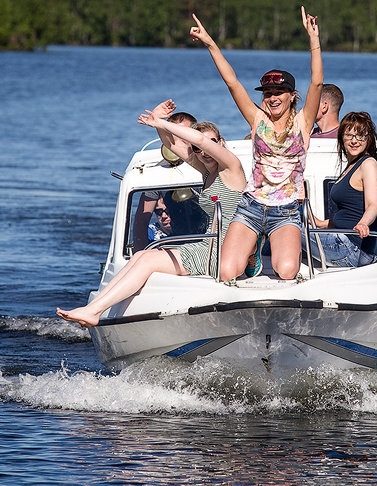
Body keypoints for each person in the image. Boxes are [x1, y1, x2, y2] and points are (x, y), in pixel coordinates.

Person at [57, 108, 247, 328]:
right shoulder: (207, 172)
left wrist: (166, 124)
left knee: (147, 260)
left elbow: (201, 142)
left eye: (211, 143)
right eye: (197, 148)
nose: (204, 150)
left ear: (220, 142)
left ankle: (93, 311)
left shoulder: (232, 167)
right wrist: (158, 122)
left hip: (225, 250)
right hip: (207, 245)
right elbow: (174, 145)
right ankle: (94, 308)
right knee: (141, 256)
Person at [190, 7, 323, 282]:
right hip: (250, 206)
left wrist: (313, 40)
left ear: (292, 95)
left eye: (279, 93)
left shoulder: (304, 122)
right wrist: (210, 43)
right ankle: (252, 252)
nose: (273, 98)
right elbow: (232, 82)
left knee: (287, 271)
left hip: (286, 211)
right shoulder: (257, 119)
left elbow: (318, 82)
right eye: (268, 93)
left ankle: (260, 246)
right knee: (227, 272)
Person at [307, 111, 377, 268]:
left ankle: (255, 258)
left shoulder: (368, 164)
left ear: (368, 139)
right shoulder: (351, 167)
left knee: (288, 230)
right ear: (342, 137)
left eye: (360, 136)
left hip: (354, 249)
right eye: (349, 135)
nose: (354, 141)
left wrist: (363, 224)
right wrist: (320, 224)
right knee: (289, 227)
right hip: (345, 242)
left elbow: (372, 206)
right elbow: (350, 213)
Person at [132, 105, 196, 249]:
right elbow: (142, 221)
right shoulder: (158, 174)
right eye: (173, 134)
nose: (178, 141)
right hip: (175, 243)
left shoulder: (208, 165)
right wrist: (140, 255)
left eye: (183, 134)